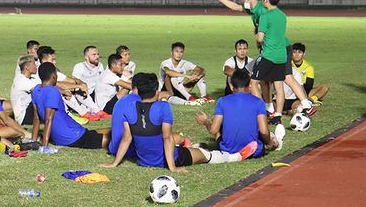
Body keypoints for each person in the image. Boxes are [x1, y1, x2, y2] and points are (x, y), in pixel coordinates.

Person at [101, 73, 255, 171]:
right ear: (157, 92)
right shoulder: (163, 107)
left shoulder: (129, 109)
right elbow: (167, 139)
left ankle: (192, 147)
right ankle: (236, 157)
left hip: (143, 160)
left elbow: (127, 139)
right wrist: (173, 167)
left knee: (170, 140)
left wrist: (115, 163)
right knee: (204, 155)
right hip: (167, 158)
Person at [207, 0, 314, 117]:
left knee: (284, 78)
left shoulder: (263, 9)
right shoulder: (254, 9)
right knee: (265, 80)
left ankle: (304, 105)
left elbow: (266, 31)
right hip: (271, 49)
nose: (242, 1)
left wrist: (259, 32)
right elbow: (235, 7)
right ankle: (270, 108)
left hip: (277, 49)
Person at [195, 69, 285, 156]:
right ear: (249, 85)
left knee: (218, 126)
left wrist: (206, 122)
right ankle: (276, 142)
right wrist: (269, 143)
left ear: (231, 86)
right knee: (265, 132)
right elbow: (264, 131)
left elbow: (214, 130)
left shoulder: (222, 101)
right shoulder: (258, 102)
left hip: (228, 151)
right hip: (254, 151)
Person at [32, 62, 111, 149]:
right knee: (111, 140)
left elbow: (36, 118)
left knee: (93, 133)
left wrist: (33, 141)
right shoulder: (52, 91)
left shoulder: (36, 90)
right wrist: (45, 147)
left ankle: (119, 129)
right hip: (73, 135)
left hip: (61, 137)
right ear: (54, 76)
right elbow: (48, 119)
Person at [43, 45, 104, 121]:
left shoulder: (52, 70)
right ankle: (74, 115)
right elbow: (53, 85)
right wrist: (68, 89)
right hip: (43, 102)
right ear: (44, 61)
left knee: (76, 88)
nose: (55, 62)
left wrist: (80, 84)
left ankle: (93, 111)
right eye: (52, 60)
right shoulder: (40, 72)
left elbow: (70, 80)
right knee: (62, 91)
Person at [11, 55, 41, 125]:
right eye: (34, 64)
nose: (36, 66)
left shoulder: (28, 79)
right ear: (27, 67)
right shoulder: (21, 80)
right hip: (24, 117)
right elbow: (43, 90)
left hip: (26, 113)